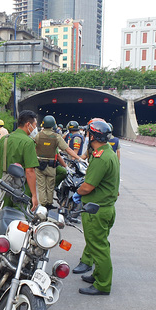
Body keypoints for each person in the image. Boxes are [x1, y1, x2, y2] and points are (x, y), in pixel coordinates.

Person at [72, 120, 120, 296]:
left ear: (92, 136)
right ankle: (98, 275)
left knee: (99, 248)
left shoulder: (100, 157)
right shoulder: (109, 153)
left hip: (96, 209)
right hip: (105, 207)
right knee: (99, 244)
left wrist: (77, 191)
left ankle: (102, 284)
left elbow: (88, 186)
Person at [34, 115, 82, 210]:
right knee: (50, 186)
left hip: (39, 165)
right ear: (53, 125)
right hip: (51, 165)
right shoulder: (56, 137)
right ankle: (49, 203)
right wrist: (79, 158)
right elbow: (67, 149)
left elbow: (33, 147)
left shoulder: (38, 135)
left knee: (41, 186)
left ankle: (43, 205)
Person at [0, 110, 39, 210]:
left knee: (5, 216)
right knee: (21, 219)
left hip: (5, 186)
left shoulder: (3, 140)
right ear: (28, 124)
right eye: (35, 125)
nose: (35, 128)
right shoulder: (28, 142)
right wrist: (34, 195)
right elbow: (30, 171)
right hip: (22, 190)